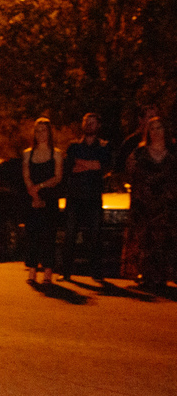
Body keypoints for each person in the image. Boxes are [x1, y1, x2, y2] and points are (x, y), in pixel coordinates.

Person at [124, 117, 176, 291]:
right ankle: (145, 275)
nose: (156, 131)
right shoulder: (139, 153)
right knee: (145, 241)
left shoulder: (173, 152)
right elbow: (132, 174)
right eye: (152, 128)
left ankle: (164, 276)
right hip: (144, 205)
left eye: (159, 128)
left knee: (165, 240)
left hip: (167, 205)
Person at [60, 112, 112, 282]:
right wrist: (91, 165)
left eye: (92, 122)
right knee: (70, 234)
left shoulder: (104, 146)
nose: (89, 125)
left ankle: (96, 272)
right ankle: (66, 271)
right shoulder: (74, 146)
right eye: (86, 122)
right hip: (75, 196)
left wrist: (82, 163)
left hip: (93, 197)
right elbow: (69, 167)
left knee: (95, 235)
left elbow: (102, 166)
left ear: (98, 126)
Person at [21, 117, 64, 284]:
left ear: (49, 132)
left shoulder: (56, 154)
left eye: (44, 130)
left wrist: (40, 187)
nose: (40, 134)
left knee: (48, 235)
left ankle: (48, 271)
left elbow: (58, 177)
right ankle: (32, 270)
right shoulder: (27, 153)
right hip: (32, 197)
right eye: (37, 130)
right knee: (32, 234)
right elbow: (26, 176)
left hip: (49, 197)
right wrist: (34, 193)